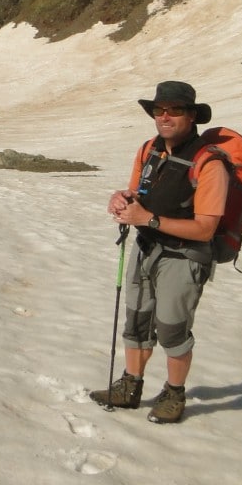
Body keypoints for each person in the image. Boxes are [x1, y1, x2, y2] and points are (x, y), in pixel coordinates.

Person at [90, 81, 228, 423]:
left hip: (184, 258)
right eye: (159, 110)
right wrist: (122, 199)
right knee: (136, 321)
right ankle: (130, 385)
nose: (165, 117)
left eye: (175, 110)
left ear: (192, 115)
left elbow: (205, 228)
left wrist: (147, 218)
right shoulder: (149, 149)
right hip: (146, 248)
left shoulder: (209, 163)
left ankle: (174, 394)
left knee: (171, 329)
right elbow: (139, 190)